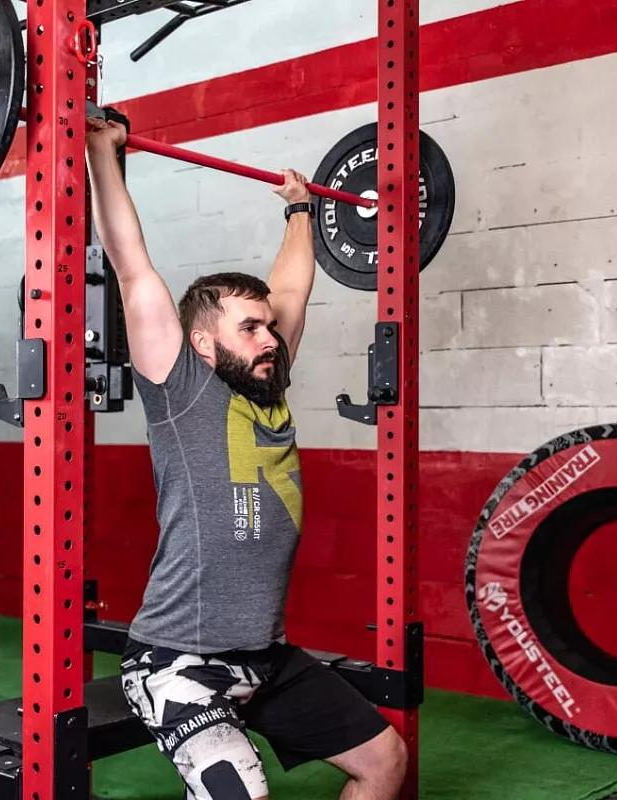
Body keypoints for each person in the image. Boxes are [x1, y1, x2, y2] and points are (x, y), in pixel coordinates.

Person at [84, 116, 408, 800]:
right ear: (204, 343)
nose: (269, 338)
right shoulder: (181, 389)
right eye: (251, 328)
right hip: (176, 662)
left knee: (384, 760)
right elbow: (131, 265)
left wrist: (300, 210)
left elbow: (291, 291)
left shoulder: (269, 384)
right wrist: (99, 151)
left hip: (265, 659)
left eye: (268, 327)